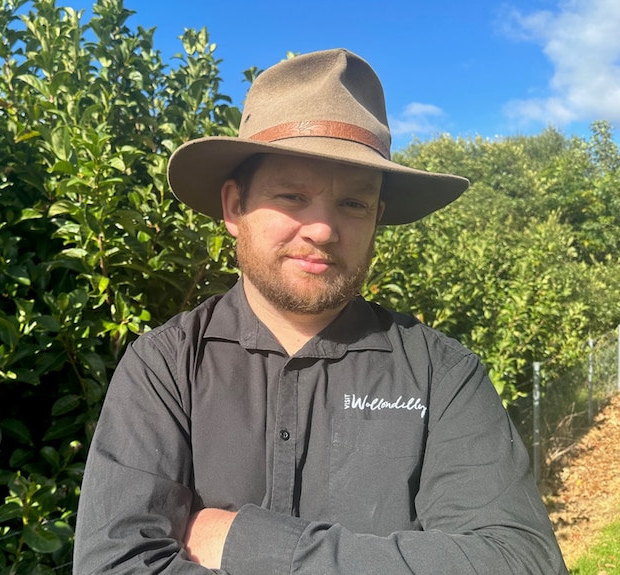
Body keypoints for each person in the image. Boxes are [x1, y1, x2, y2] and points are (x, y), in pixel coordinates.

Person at [72, 48, 568, 574]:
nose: (323, 230)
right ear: (234, 207)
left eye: (353, 204)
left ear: (376, 218)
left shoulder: (442, 375)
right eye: (291, 196)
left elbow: (519, 561)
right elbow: (114, 565)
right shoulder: (165, 367)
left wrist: (244, 541)